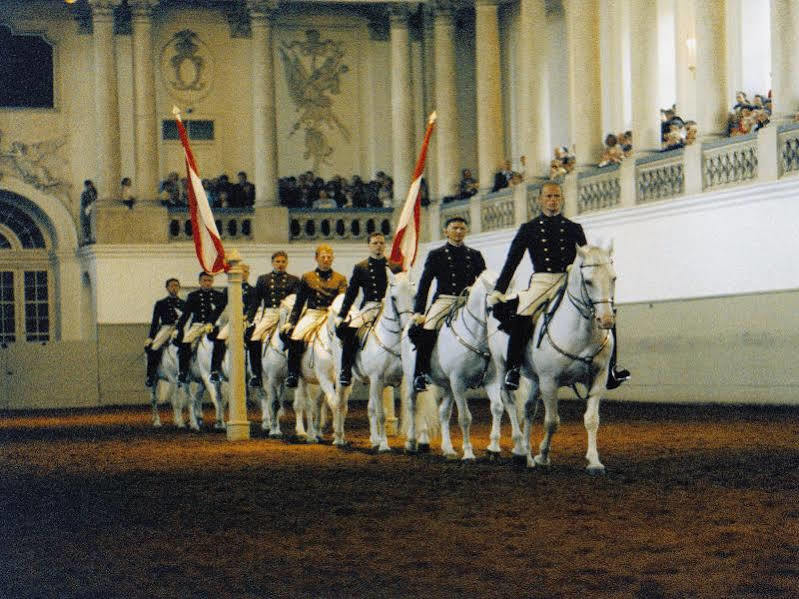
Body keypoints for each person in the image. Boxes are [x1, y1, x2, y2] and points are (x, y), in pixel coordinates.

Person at [489, 182, 630, 391]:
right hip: (542, 281)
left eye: (556, 196)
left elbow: (586, 258)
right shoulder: (529, 229)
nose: (552, 200)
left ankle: (610, 369)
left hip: (568, 280)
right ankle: (513, 369)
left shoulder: (574, 228)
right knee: (523, 312)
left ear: (561, 199)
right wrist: (499, 290)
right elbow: (512, 261)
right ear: (540, 200)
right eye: (548, 197)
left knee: (606, 312)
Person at [410, 217, 486, 391]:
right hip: (445, 300)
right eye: (454, 228)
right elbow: (425, 284)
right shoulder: (436, 254)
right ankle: (420, 374)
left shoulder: (474, 255)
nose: (458, 231)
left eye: (462, 228)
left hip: (467, 301)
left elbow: (483, 281)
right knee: (428, 329)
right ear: (446, 231)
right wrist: (419, 311)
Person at [334, 233, 402, 386]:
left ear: (385, 245)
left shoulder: (395, 267)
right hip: (370, 307)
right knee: (351, 330)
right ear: (369, 246)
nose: (378, 246)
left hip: (390, 308)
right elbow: (351, 293)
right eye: (375, 243)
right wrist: (341, 314)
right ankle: (346, 371)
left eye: (381, 243)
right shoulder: (361, 267)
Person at [281, 244, 347, 388]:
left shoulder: (340, 278)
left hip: (330, 315)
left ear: (332, 259)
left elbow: (343, 300)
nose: (326, 260)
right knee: (296, 337)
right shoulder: (307, 277)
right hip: (313, 314)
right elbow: (299, 303)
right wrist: (291, 322)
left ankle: (347, 370)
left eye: (329, 257)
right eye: (323, 257)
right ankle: (292, 373)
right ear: (316, 258)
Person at [246, 251, 301, 388]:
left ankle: (294, 372)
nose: (280, 264)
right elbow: (256, 301)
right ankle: (256, 374)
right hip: (270, 314)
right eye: (277, 261)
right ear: (272, 263)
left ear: (287, 263)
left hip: (287, 314)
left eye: (283, 261)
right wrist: (250, 319)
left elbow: (296, 300)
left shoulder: (294, 280)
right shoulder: (263, 279)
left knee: (297, 337)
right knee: (254, 338)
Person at [174, 272, 227, 384]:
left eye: (209, 280)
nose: (207, 283)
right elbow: (186, 314)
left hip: (212, 326)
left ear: (212, 281)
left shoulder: (219, 296)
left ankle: (215, 371)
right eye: (204, 280)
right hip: (197, 325)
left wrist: (210, 322)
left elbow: (219, 311)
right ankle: (183, 372)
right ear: (200, 281)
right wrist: (178, 328)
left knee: (220, 343)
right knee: (185, 343)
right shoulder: (193, 296)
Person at [209, 265, 255, 383]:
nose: (242, 274)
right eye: (240, 272)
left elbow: (256, 306)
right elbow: (219, 307)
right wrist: (210, 322)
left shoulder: (253, 290)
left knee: (255, 341)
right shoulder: (228, 289)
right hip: (234, 322)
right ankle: (215, 370)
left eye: (245, 272)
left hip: (248, 321)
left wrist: (249, 316)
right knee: (219, 338)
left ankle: (255, 372)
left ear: (248, 274)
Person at [144, 278, 185, 387]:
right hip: (166, 328)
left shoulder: (183, 303)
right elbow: (155, 321)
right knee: (154, 348)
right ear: (167, 288)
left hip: (180, 329)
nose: (174, 288)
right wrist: (151, 337)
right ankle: (151, 376)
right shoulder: (161, 303)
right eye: (171, 286)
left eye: (176, 286)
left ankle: (184, 372)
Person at [80, 179, 97, 244]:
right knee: (86, 225)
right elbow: (83, 203)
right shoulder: (84, 193)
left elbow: (94, 200)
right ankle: (87, 238)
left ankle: (91, 238)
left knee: (91, 224)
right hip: (86, 210)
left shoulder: (94, 193)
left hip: (92, 210)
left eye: (88, 186)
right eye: (86, 186)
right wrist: (86, 208)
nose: (87, 187)